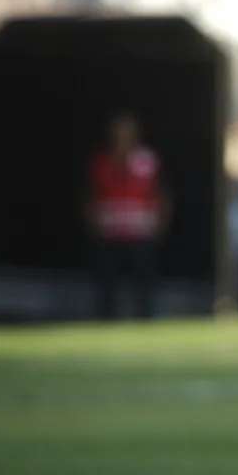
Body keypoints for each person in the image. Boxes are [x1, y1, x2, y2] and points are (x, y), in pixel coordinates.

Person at [86, 113, 169, 320]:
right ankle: (105, 323)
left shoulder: (149, 161)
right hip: (109, 234)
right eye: (119, 131)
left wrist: (160, 225)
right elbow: (89, 197)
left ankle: (145, 323)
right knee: (107, 286)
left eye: (127, 131)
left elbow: (163, 195)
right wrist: (93, 224)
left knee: (144, 286)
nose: (123, 136)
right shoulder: (101, 162)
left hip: (140, 234)